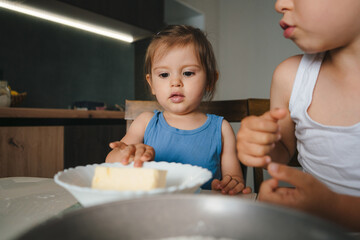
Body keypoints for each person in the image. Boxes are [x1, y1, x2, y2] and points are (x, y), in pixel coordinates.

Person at [236, 0, 360, 231]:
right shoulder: (290, 76)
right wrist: (263, 144)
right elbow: (283, 151)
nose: (279, 4)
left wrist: (334, 208)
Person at [106, 25, 251, 195]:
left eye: (188, 73)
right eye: (164, 75)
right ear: (151, 83)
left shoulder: (221, 129)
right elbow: (111, 162)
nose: (175, 82)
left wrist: (231, 184)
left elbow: (234, 178)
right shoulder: (145, 122)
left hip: (200, 212)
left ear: (210, 80)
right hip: (152, 209)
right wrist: (128, 155)